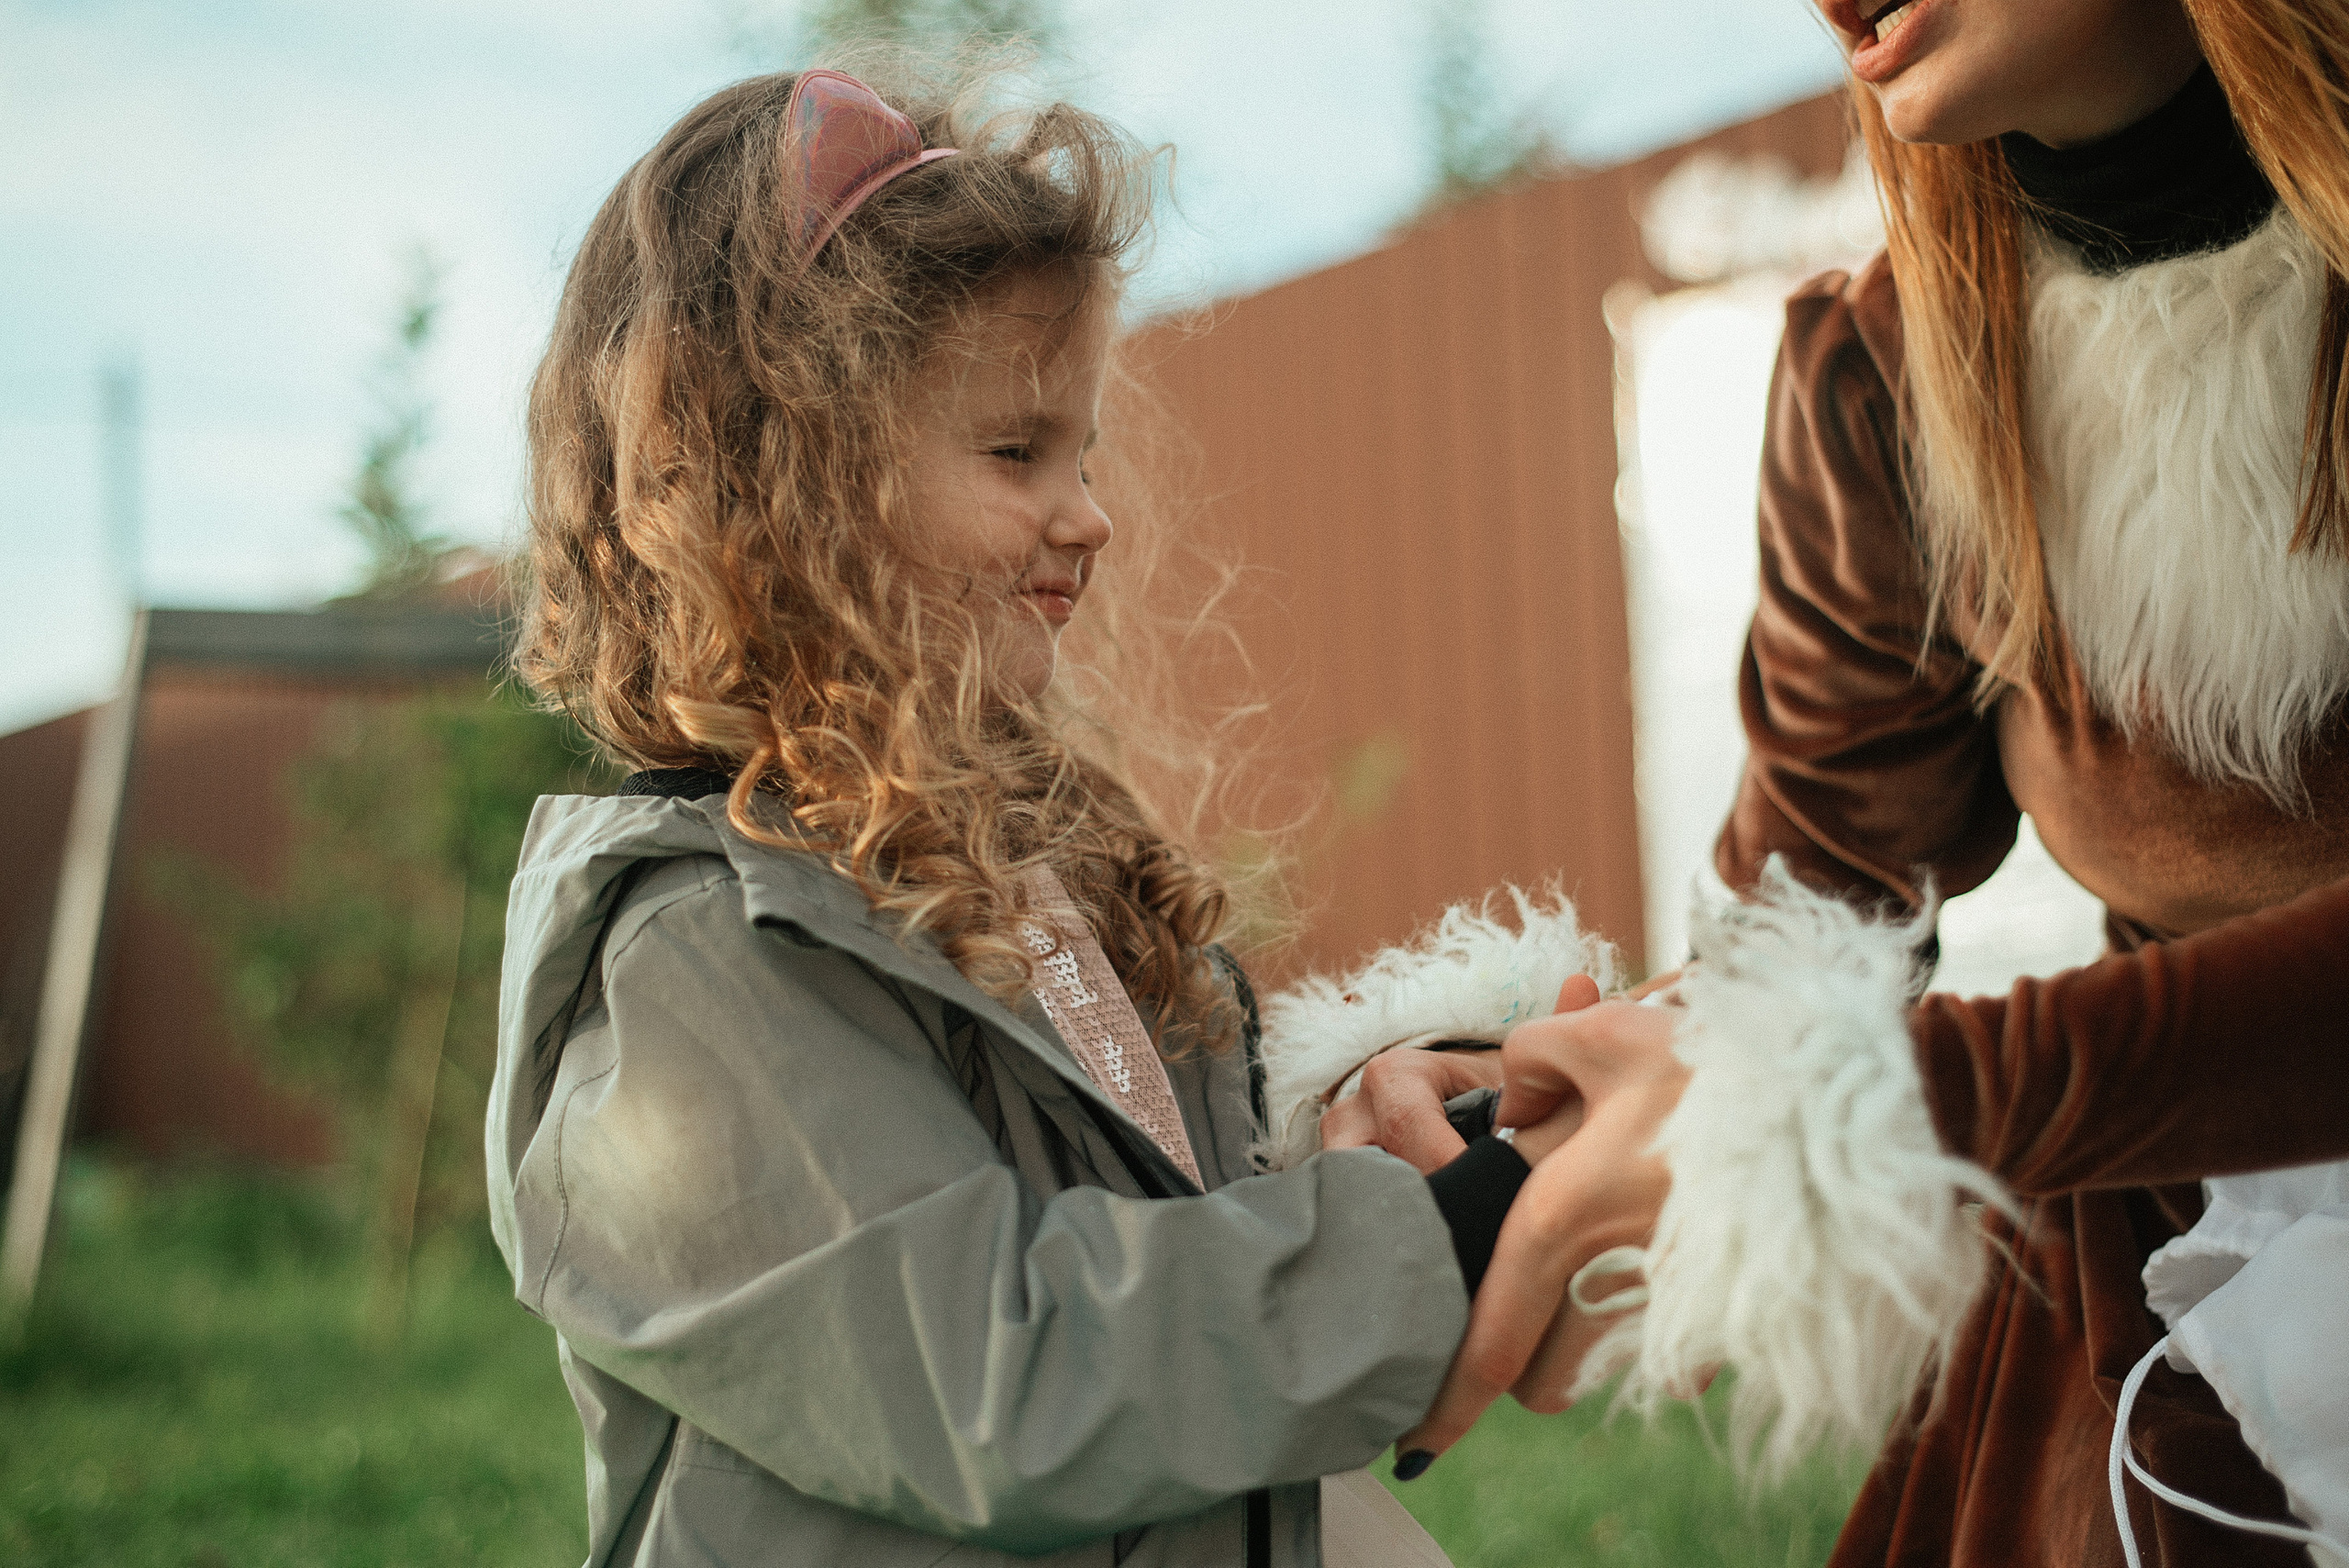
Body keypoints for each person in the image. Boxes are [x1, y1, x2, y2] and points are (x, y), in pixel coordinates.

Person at [483, 62, 1580, 1568]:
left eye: (1086, 451)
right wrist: (1437, 1247)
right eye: (1015, 452)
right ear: (778, 488)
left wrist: (1395, 1158)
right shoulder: (688, 959)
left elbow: (1156, 1238)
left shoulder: (1024, 880)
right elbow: (1006, 1372)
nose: (1092, 514)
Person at [1337, 2, 2349, 1564]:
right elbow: (1803, 930)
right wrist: (1512, 1097)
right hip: (2156, 1275)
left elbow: (1839, 1065)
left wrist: (1901, 1096)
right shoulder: (1886, 368)